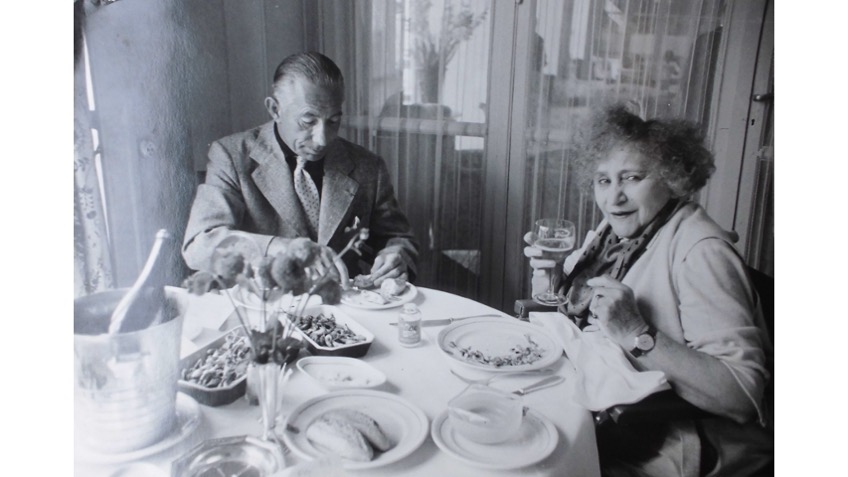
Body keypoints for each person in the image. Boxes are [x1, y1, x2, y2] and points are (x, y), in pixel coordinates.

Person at [525, 105, 773, 476]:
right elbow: (577, 319)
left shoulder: (701, 253)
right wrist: (546, 282)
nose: (614, 198)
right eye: (604, 180)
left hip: (671, 445)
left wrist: (638, 333)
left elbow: (741, 394)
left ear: (672, 178)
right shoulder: (618, 233)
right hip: (602, 414)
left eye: (632, 177)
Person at [183, 52, 418, 285]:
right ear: (275, 109)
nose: (323, 139)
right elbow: (199, 246)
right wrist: (281, 248)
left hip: (341, 308)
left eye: (334, 121)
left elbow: (397, 238)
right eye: (308, 121)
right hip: (265, 308)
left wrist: (395, 256)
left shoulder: (369, 167)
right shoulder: (231, 155)